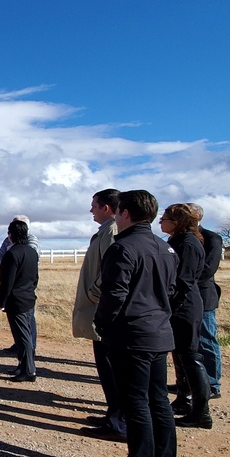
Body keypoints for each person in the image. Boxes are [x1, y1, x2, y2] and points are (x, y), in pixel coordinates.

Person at [94, 190, 178, 457]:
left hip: (132, 335)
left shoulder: (123, 248)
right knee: (158, 402)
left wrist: (103, 323)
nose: (117, 217)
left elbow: (114, 293)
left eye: (119, 212)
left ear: (125, 214)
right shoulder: (165, 248)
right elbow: (172, 290)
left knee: (136, 402)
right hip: (159, 332)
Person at [73, 189, 126, 442]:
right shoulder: (106, 230)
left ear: (106, 207)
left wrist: (95, 294)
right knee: (105, 367)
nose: (90, 210)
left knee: (111, 366)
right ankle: (112, 415)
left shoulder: (112, 231)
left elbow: (112, 270)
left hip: (103, 309)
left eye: (93, 205)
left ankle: (118, 421)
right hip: (99, 307)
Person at [160, 204, 213, 429]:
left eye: (165, 218)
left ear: (177, 221)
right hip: (178, 305)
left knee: (191, 357)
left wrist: (171, 305)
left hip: (185, 306)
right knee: (180, 355)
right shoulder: (177, 241)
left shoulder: (188, 244)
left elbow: (183, 280)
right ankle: (183, 399)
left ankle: (201, 412)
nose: (160, 221)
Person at [0, 219, 40, 382]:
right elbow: (35, 278)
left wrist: (1, 302)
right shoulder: (32, 252)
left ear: (10, 235)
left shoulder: (12, 254)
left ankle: (29, 370)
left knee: (22, 337)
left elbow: (7, 282)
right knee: (26, 334)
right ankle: (23, 366)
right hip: (29, 298)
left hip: (16, 302)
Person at [190, 203, 223, 399]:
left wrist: (183, 281)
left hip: (203, 296)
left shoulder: (212, 238)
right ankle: (190, 383)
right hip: (186, 297)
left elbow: (208, 269)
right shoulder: (178, 239)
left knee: (207, 339)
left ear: (196, 216)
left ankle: (212, 383)